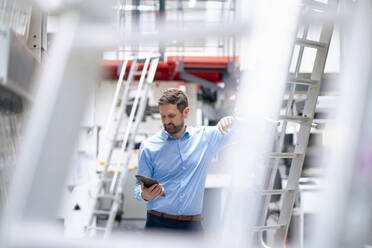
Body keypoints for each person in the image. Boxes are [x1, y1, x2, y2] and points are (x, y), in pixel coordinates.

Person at [134, 88, 233, 233]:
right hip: (158, 225)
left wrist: (232, 120)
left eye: (171, 116)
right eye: (163, 116)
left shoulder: (205, 138)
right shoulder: (149, 147)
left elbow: (247, 130)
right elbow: (138, 187)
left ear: (185, 112)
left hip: (192, 228)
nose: (167, 121)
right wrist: (145, 195)